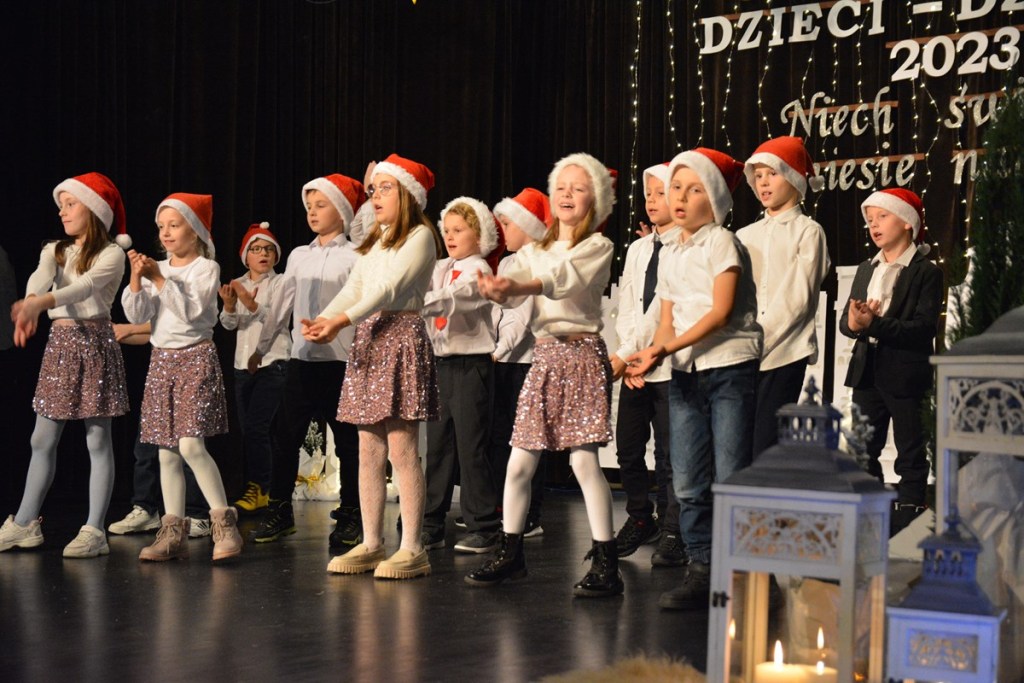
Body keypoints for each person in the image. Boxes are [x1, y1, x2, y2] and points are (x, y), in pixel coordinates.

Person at [466, 153, 622, 598]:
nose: (567, 193)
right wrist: (497, 290)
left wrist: (517, 286)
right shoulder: (534, 251)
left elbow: (562, 279)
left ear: (596, 199)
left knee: (583, 462)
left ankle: (606, 562)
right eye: (561, 187)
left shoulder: (597, 246)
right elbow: (515, 291)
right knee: (519, 462)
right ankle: (511, 552)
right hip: (546, 356)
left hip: (581, 356)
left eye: (578, 187)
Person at [626, 148, 762, 610]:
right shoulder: (670, 253)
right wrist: (649, 356)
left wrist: (663, 349)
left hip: (728, 368)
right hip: (685, 371)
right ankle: (701, 569)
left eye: (694, 189)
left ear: (716, 198)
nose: (680, 197)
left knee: (731, 475)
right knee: (686, 479)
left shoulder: (722, 243)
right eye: (676, 188)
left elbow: (720, 312)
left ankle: (742, 572)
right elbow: (666, 320)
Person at [303, 154, 441, 580]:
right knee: (368, 448)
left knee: (401, 446)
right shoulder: (377, 239)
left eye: (385, 188)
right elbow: (357, 285)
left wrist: (342, 320)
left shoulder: (420, 235)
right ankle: (371, 541)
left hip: (399, 335)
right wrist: (326, 317)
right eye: (373, 189)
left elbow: (388, 288)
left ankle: (412, 546)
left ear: (407, 195)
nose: (375, 196)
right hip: (370, 338)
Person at [0, 172, 131, 558]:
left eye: (71, 204)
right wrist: (30, 302)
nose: (62, 211)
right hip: (60, 347)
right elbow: (40, 277)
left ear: (93, 210)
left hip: (95, 344)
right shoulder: (55, 249)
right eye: (61, 205)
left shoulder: (112, 254)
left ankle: (94, 529)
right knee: (41, 439)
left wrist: (41, 304)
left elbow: (85, 287)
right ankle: (25, 523)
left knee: (97, 439)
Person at [122, 192, 243, 563]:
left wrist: (159, 278)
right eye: (162, 226)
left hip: (195, 359)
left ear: (196, 231)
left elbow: (191, 312)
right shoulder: (158, 269)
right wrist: (137, 279)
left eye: (174, 225)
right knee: (166, 452)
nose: (166, 233)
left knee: (191, 446)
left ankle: (224, 524)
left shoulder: (206, 268)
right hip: (162, 362)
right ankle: (172, 532)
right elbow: (136, 314)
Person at [254, 173, 365, 551]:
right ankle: (280, 509)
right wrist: (262, 347)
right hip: (302, 360)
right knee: (284, 435)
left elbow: (362, 307)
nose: (312, 213)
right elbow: (282, 304)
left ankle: (351, 511)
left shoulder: (355, 256)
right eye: (309, 207)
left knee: (348, 442)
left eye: (321, 205)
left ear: (343, 211)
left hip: (341, 361)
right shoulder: (299, 255)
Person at [839, 188, 942, 536]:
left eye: (882, 217)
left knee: (910, 446)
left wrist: (875, 324)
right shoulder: (866, 268)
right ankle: (868, 507)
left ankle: (910, 509)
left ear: (907, 223)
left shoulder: (925, 271)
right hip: (866, 369)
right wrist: (854, 324)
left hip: (905, 373)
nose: (874, 225)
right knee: (863, 445)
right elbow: (846, 322)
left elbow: (923, 328)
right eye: (870, 220)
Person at [609, 162, 684, 566]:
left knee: (670, 456)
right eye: (649, 194)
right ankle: (640, 518)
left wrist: (633, 356)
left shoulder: (685, 246)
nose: (653, 201)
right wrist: (628, 351)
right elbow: (627, 305)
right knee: (628, 448)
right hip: (636, 365)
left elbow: (662, 310)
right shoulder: (639, 249)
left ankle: (674, 528)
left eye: (661, 193)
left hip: (668, 364)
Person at [737, 137, 831, 457]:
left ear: (793, 178)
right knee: (738, 441)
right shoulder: (744, 235)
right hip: (743, 353)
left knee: (766, 442)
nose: (763, 182)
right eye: (758, 176)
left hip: (785, 351)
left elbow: (797, 298)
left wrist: (757, 341)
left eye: (772, 174)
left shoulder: (808, 231)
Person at [421, 197, 504, 554]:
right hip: (441, 365)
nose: (450, 236)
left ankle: (483, 525)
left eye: (459, 230)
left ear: (479, 234)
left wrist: (414, 300)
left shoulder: (479, 270)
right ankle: (431, 522)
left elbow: (454, 298)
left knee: (471, 447)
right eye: (447, 230)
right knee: (437, 448)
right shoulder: (440, 267)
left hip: (471, 366)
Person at [108, 321, 212, 538]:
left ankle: (197, 514)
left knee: (189, 448)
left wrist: (131, 328)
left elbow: (181, 323)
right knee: (146, 447)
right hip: (161, 373)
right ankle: (146, 508)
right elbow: (151, 335)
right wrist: (114, 332)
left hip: (190, 369)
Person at [489, 188, 552, 538]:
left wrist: (500, 349)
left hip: (526, 362)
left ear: (527, 226)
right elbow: (498, 311)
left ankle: (531, 513)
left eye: (509, 224)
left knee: (529, 439)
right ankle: (505, 506)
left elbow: (522, 314)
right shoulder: (507, 262)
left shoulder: (536, 261)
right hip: (503, 360)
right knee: (501, 435)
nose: (503, 231)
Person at [219, 222, 293, 516]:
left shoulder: (280, 282)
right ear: (245, 256)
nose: (263, 254)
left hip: (273, 362)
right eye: (257, 249)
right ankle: (262, 487)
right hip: (242, 365)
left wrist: (251, 304)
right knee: (250, 431)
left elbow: (277, 319)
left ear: (276, 256)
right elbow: (228, 325)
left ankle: (262, 487)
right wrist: (229, 306)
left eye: (269, 249)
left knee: (259, 428)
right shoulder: (238, 282)